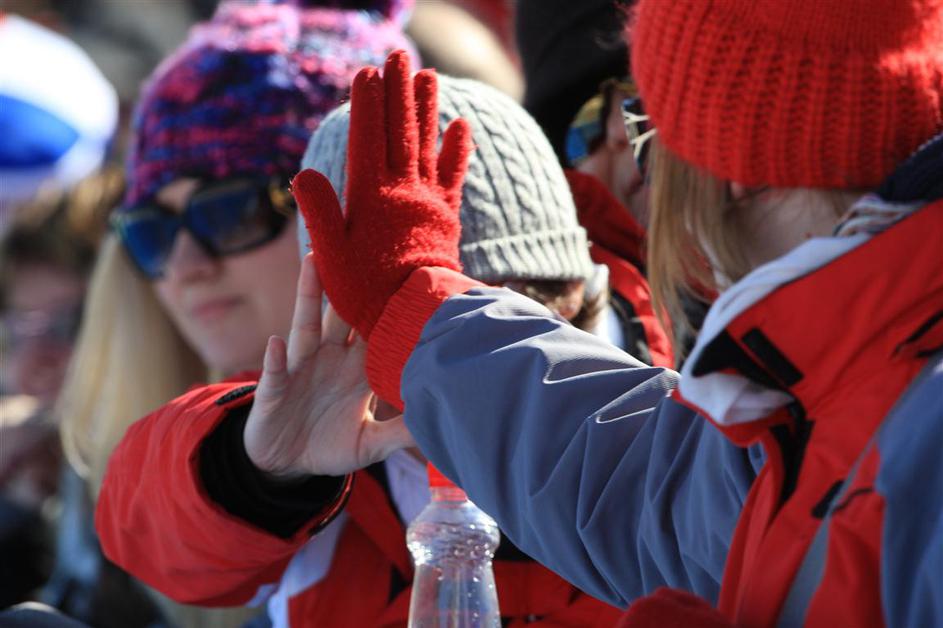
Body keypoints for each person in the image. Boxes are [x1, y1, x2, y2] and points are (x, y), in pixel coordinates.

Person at [289, 3, 941, 623]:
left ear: (735, 168)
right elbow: (662, 492)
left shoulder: (913, 418)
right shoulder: (839, 381)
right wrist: (415, 313)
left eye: (647, 133)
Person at [96, 73, 628, 626]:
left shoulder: (666, 404)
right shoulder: (323, 427)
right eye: (394, 329)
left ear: (574, 296)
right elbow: (143, 525)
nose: (449, 365)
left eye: (498, 322)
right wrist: (257, 473)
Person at [56, 1, 415, 626]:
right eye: (152, 230)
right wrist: (252, 475)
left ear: (356, 210)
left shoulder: (476, 418)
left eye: (229, 211)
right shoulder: (97, 471)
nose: (185, 266)